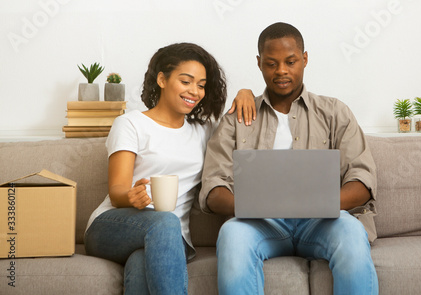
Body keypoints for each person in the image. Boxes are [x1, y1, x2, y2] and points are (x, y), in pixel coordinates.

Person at [199, 22, 379, 295]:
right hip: (261, 225)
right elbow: (213, 188)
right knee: (232, 234)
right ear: (259, 63)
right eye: (271, 63)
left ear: (305, 59)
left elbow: (362, 180)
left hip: (322, 223)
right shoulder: (237, 119)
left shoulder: (335, 112)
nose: (281, 70)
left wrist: (317, 204)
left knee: (352, 232)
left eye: (290, 61)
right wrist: (254, 206)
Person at [84, 42, 255, 295]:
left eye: (201, 85)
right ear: (162, 79)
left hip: (173, 239)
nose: (194, 91)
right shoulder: (131, 124)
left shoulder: (204, 130)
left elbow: (244, 131)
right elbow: (117, 190)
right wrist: (132, 195)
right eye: (186, 81)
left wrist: (245, 91)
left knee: (143, 260)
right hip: (113, 226)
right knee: (164, 221)